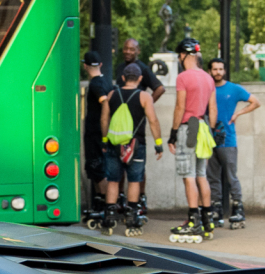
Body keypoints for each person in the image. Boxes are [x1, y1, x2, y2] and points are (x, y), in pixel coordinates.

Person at [100, 62, 164, 234]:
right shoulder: (144, 96)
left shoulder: (112, 94)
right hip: (136, 145)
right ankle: (132, 217)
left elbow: (104, 119)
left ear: (122, 78)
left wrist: (105, 139)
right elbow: (153, 120)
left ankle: (109, 216)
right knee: (134, 180)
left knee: (113, 180)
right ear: (140, 78)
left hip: (114, 143)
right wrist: (158, 143)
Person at [166, 38, 218, 242]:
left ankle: (193, 220)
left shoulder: (183, 77)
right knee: (201, 174)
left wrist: (172, 132)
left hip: (188, 127)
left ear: (184, 55)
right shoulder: (208, 78)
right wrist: (212, 130)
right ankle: (208, 219)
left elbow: (180, 106)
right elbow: (212, 109)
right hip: (203, 127)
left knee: (188, 175)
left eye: (180, 55)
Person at [207, 58, 259, 228]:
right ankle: (216, 210)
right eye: (215, 69)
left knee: (231, 176)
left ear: (225, 71)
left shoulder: (234, 89)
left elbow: (255, 102)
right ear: (210, 71)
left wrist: (238, 114)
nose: (218, 72)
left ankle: (237, 209)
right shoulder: (207, 88)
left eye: (221, 69)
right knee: (212, 177)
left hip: (228, 140)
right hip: (208, 139)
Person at [81, 51, 115, 216]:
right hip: (98, 133)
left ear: (85, 66)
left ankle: (104, 205)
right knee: (96, 170)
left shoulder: (96, 85)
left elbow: (104, 102)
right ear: (100, 65)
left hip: (96, 133)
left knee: (98, 169)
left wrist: (103, 135)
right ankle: (101, 204)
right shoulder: (107, 82)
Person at [115, 38, 166, 104]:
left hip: (135, 111)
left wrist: (145, 105)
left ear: (138, 51)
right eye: (125, 48)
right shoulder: (120, 67)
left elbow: (160, 88)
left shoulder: (143, 68)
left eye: (132, 49)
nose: (128, 51)